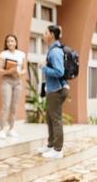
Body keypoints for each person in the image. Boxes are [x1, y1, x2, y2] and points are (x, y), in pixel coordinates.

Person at [37, 25, 69, 159]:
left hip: (56, 90)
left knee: (55, 120)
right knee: (50, 119)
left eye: (45, 32)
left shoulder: (55, 51)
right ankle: (50, 145)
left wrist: (44, 68)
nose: (43, 35)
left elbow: (59, 72)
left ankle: (58, 149)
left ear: (51, 34)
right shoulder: (52, 49)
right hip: (53, 89)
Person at [0, 34, 26, 139]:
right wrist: (8, 71)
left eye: (12, 41)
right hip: (6, 81)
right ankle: (2, 129)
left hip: (17, 81)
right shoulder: (3, 54)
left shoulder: (21, 54)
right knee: (6, 106)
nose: (10, 43)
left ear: (16, 42)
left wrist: (18, 73)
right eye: (8, 41)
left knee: (14, 107)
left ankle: (11, 128)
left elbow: (24, 69)